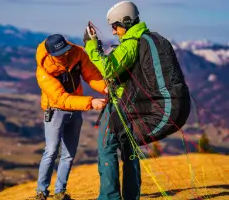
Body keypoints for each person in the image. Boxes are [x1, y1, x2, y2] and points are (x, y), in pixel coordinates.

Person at [83, 1, 191, 200]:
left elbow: (108, 69)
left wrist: (91, 45)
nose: (114, 32)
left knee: (107, 148)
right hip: (135, 105)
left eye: (115, 26)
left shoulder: (132, 43)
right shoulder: (146, 39)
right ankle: (131, 195)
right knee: (128, 146)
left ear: (125, 21)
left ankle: (109, 197)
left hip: (121, 104)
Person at [34, 33, 108, 200]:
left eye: (65, 50)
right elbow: (61, 99)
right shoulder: (43, 70)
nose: (64, 55)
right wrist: (90, 102)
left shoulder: (77, 53)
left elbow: (92, 75)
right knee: (51, 150)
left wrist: (105, 88)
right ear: (51, 53)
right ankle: (41, 192)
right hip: (56, 111)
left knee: (69, 153)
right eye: (59, 54)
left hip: (75, 110)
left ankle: (60, 192)